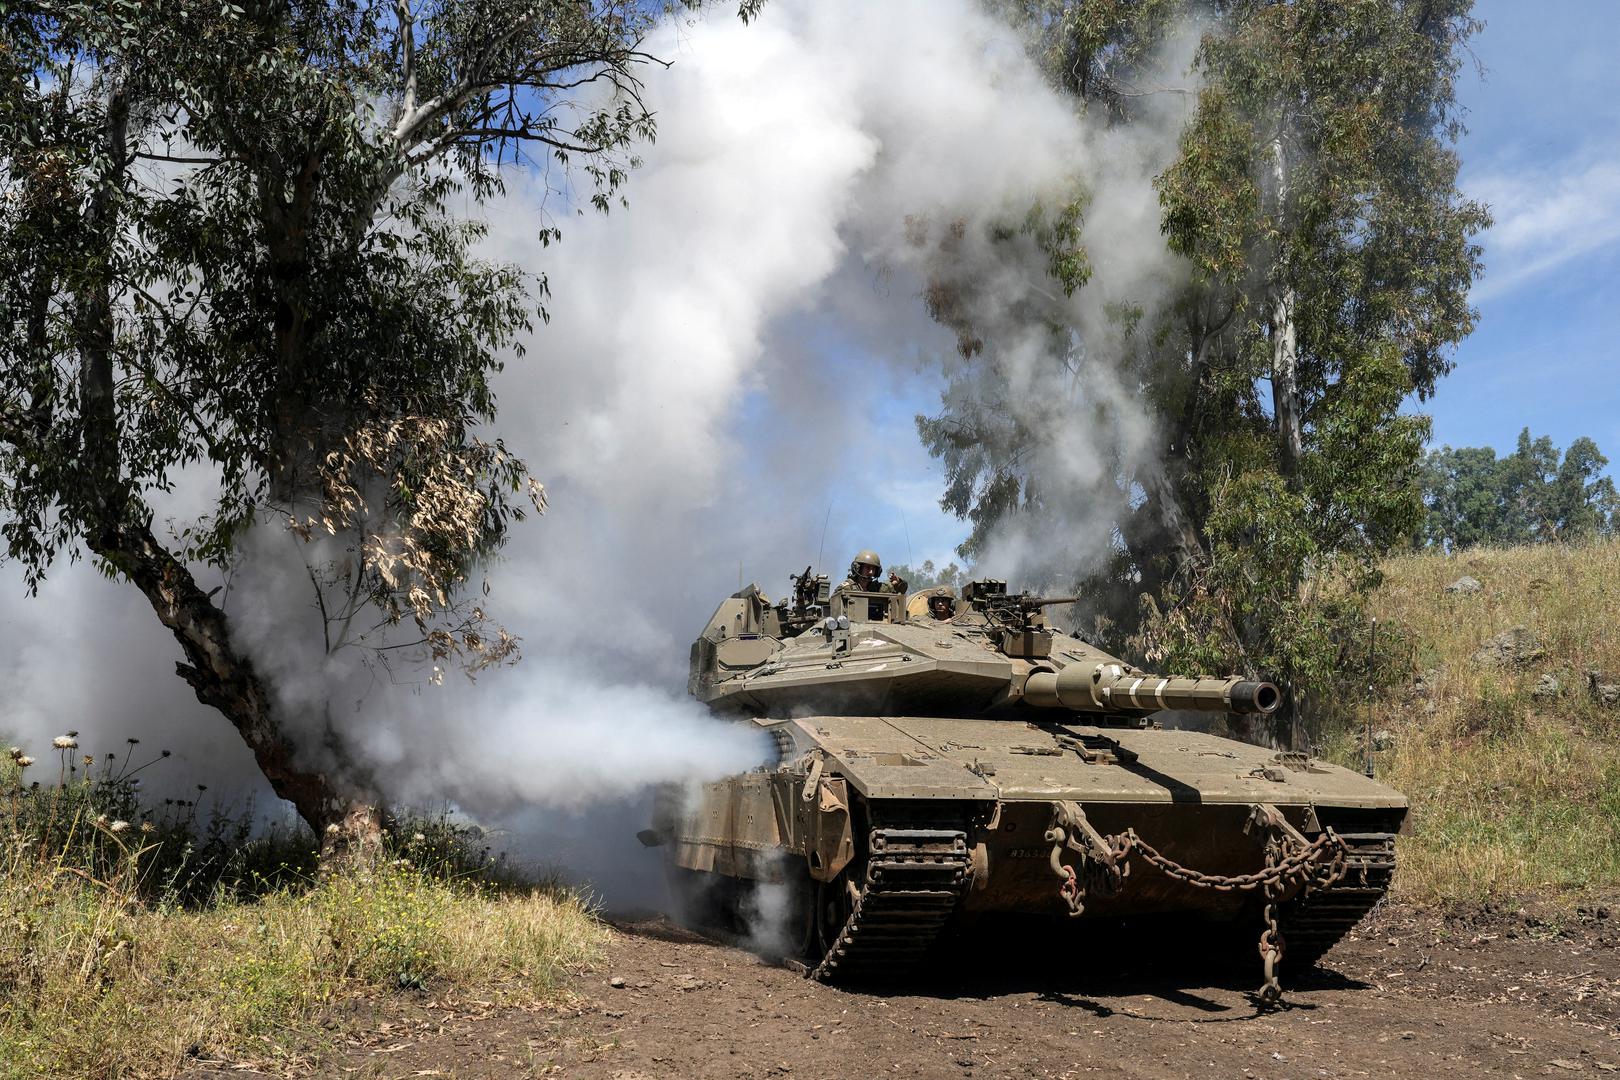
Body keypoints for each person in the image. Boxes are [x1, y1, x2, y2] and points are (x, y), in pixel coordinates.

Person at [838, 549, 907, 595]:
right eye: (867, 568)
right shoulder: (846, 588)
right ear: (858, 568)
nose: (871, 572)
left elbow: (902, 590)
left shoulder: (877, 588)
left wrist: (897, 582)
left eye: (873, 569)